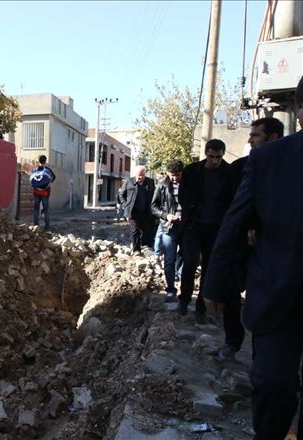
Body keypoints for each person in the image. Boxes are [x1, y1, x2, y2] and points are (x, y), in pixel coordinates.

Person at [203, 75, 303, 439]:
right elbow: (235, 222)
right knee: (273, 384)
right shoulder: (269, 161)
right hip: (279, 293)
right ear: (300, 111)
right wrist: (214, 286)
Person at [214, 117, 284, 362]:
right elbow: (228, 207)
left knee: (265, 302)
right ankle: (232, 342)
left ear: (272, 137)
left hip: (274, 250)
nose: (249, 139)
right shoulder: (240, 168)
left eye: (255, 135)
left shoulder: (287, 168)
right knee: (232, 295)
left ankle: (262, 355)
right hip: (239, 247)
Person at [177, 139, 233, 324]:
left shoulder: (229, 173)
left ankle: (201, 308)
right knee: (190, 262)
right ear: (206, 154)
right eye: (211, 157)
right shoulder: (192, 171)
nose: (215, 161)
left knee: (209, 268)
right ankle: (184, 300)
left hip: (215, 228)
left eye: (218, 157)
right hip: (193, 226)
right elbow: (183, 196)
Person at [150, 159, 184, 303]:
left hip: (185, 227)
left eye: (177, 175)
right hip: (168, 227)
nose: (174, 178)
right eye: (172, 175)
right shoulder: (162, 185)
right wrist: (166, 216)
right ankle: (170, 289)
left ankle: (185, 289)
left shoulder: (189, 184)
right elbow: (154, 207)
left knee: (185, 258)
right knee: (169, 259)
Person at [119, 165, 155, 256]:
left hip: (146, 212)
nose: (140, 177)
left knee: (146, 230)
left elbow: (155, 196)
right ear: (135, 174)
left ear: (145, 174)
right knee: (135, 231)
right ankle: (136, 250)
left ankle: (146, 247)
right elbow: (121, 195)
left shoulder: (150, 182)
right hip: (133, 212)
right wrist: (126, 205)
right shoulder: (129, 181)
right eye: (138, 175)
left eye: (142, 175)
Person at [30, 155, 56, 230]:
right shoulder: (48, 170)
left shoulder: (35, 170)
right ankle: (47, 226)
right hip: (45, 193)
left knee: (36, 209)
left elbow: (32, 181)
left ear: (38, 161)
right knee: (46, 209)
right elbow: (54, 177)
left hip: (36, 192)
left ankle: (35, 225)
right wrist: (48, 185)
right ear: (45, 161)